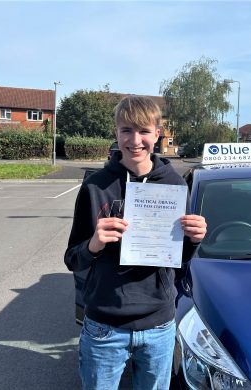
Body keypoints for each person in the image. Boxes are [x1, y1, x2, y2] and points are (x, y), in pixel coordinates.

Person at [64, 95, 207, 390]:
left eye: (143, 131)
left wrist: (194, 240)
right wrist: (93, 244)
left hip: (158, 325)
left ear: (157, 133)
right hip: (104, 325)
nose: (135, 140)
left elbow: (178, 260)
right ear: (116, 133)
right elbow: (72, 259)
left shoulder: (175, 185)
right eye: (126, 130)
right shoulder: (95, 186)